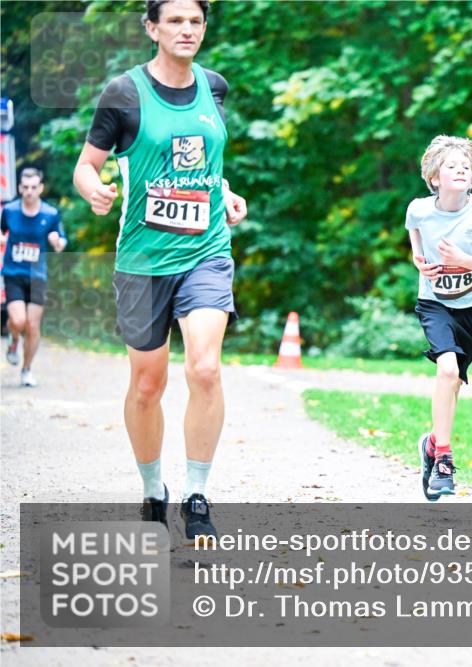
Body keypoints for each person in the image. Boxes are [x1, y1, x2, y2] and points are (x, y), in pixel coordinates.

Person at [73, 0, 247, 538]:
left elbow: (203, 166)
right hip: (143, 261)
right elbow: (87, 165)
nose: (187, 30)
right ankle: (154, 492)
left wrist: (225, 190)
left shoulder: (213, 87)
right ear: (152, 28)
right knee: (148, 385)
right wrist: (94, 192)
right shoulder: (124, 94)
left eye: (195, 21)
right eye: (175, 20)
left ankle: (197, 496)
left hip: (206, 252)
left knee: (205, 369)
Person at [406, 136, 472, 500]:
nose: (461, 170)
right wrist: (421, 261)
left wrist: (466, 261)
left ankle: (433, 444)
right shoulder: (418, 209)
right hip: (434, 303)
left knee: (453, 383)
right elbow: (416, 243)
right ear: (434, 177)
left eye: (466, 166)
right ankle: (445, 463)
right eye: (452, 166)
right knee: (446, 370)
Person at [2, 167, 68, 387]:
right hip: (13, 273)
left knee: (32, 325)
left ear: (40, 188)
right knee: (18, 321)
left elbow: (62, 241)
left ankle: (26, 369)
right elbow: (2, 233)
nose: (29, 191)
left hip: (38, 276)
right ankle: (13, 340)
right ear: (20, 187)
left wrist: (57, 242)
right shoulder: (9, 211)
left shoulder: (50, 214)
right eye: (25, 187)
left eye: (34, 187)